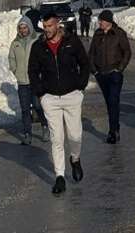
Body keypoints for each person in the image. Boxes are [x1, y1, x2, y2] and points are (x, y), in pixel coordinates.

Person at [28, 12, 91, 195]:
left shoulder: (71, 41)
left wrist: (81, 85)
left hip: (72, 94)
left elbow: (84, 63)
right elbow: (32, 71)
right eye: (44, 26)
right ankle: (60, 177)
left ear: (57, 25)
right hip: (51, 98)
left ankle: (75, 158)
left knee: (75, 136)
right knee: (57, 138)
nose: (46, 30)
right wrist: (41, 93)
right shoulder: (38, 46)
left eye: (50, 26)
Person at [89, 9, 132, 144]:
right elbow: (91, 53)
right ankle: (115, 126)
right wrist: (94, 70)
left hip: (114, 73)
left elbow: (127, 52)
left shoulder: (119, 33)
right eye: (99, 20)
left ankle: (113, 131)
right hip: (101, 74)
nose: (99, 22)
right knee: (109, 102)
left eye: (101, 20)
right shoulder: (97, 34)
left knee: (113, 100)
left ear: (108, 21)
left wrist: (119, 69)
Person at [8, 15, 48, 145]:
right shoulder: (15, 43)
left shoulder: (36, 40)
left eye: (25, 27)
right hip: (22, 82)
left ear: (29, 27)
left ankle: (45, 126)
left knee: (37, 106)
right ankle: (27, 134)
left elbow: (43, 57)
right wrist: (15, 71)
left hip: (35, 81)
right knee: (25, 109)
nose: (23, 30)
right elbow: (11, 58)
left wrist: (41, 73)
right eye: (21, 28)